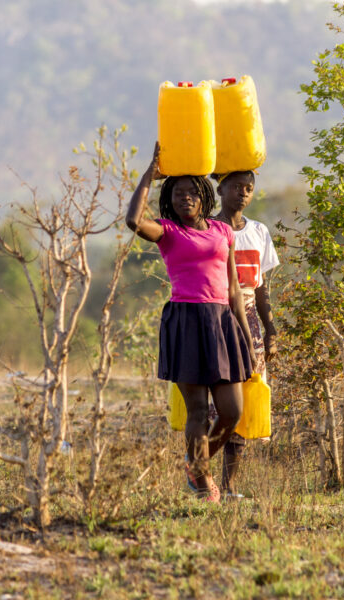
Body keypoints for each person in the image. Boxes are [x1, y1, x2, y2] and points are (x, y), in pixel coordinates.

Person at [126, 143, 255, 503]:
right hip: (186, 320)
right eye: (178, 194)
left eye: (191, 193)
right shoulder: (167, 231)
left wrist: (246, 339)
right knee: (197, 410)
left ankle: (194, 464)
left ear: (203, 196)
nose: (184, 199)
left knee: (232, 412)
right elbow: (134, 221)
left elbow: (233, 289)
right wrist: (149, 177)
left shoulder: (222, 231)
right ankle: (201, 481)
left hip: (223, 322)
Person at [212, 170, 279, 498]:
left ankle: (229, 486)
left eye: (249, 188)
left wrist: (270, 331)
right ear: (220, 187)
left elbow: (262, 289)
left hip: (250, 321)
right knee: (219, 401)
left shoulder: (258, 232)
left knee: (247, 396)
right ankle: (199, 475)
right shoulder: (208, 229)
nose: (243, 193)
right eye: (236, 186)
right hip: (215, 317)